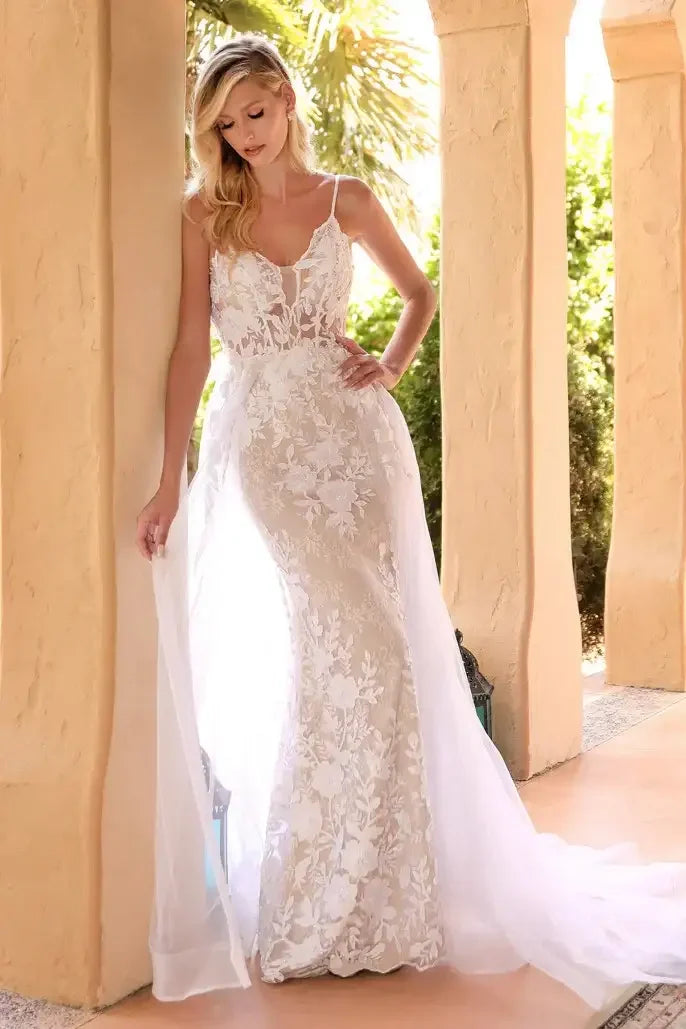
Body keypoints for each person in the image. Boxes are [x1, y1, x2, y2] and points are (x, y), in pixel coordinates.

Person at [136, 32, 686, 1010]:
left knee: (380, 652)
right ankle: (322, 897)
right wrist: (170, 476)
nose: (244, 136)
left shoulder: (343, 198)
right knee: (342, 642)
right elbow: (189, 348)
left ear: (285, 101)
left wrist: (386, 366)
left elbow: (419, 292)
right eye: (224, 124)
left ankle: (382, 897)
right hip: (264, 446)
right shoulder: (200, 212)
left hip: (355, 445)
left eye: (254, 113)